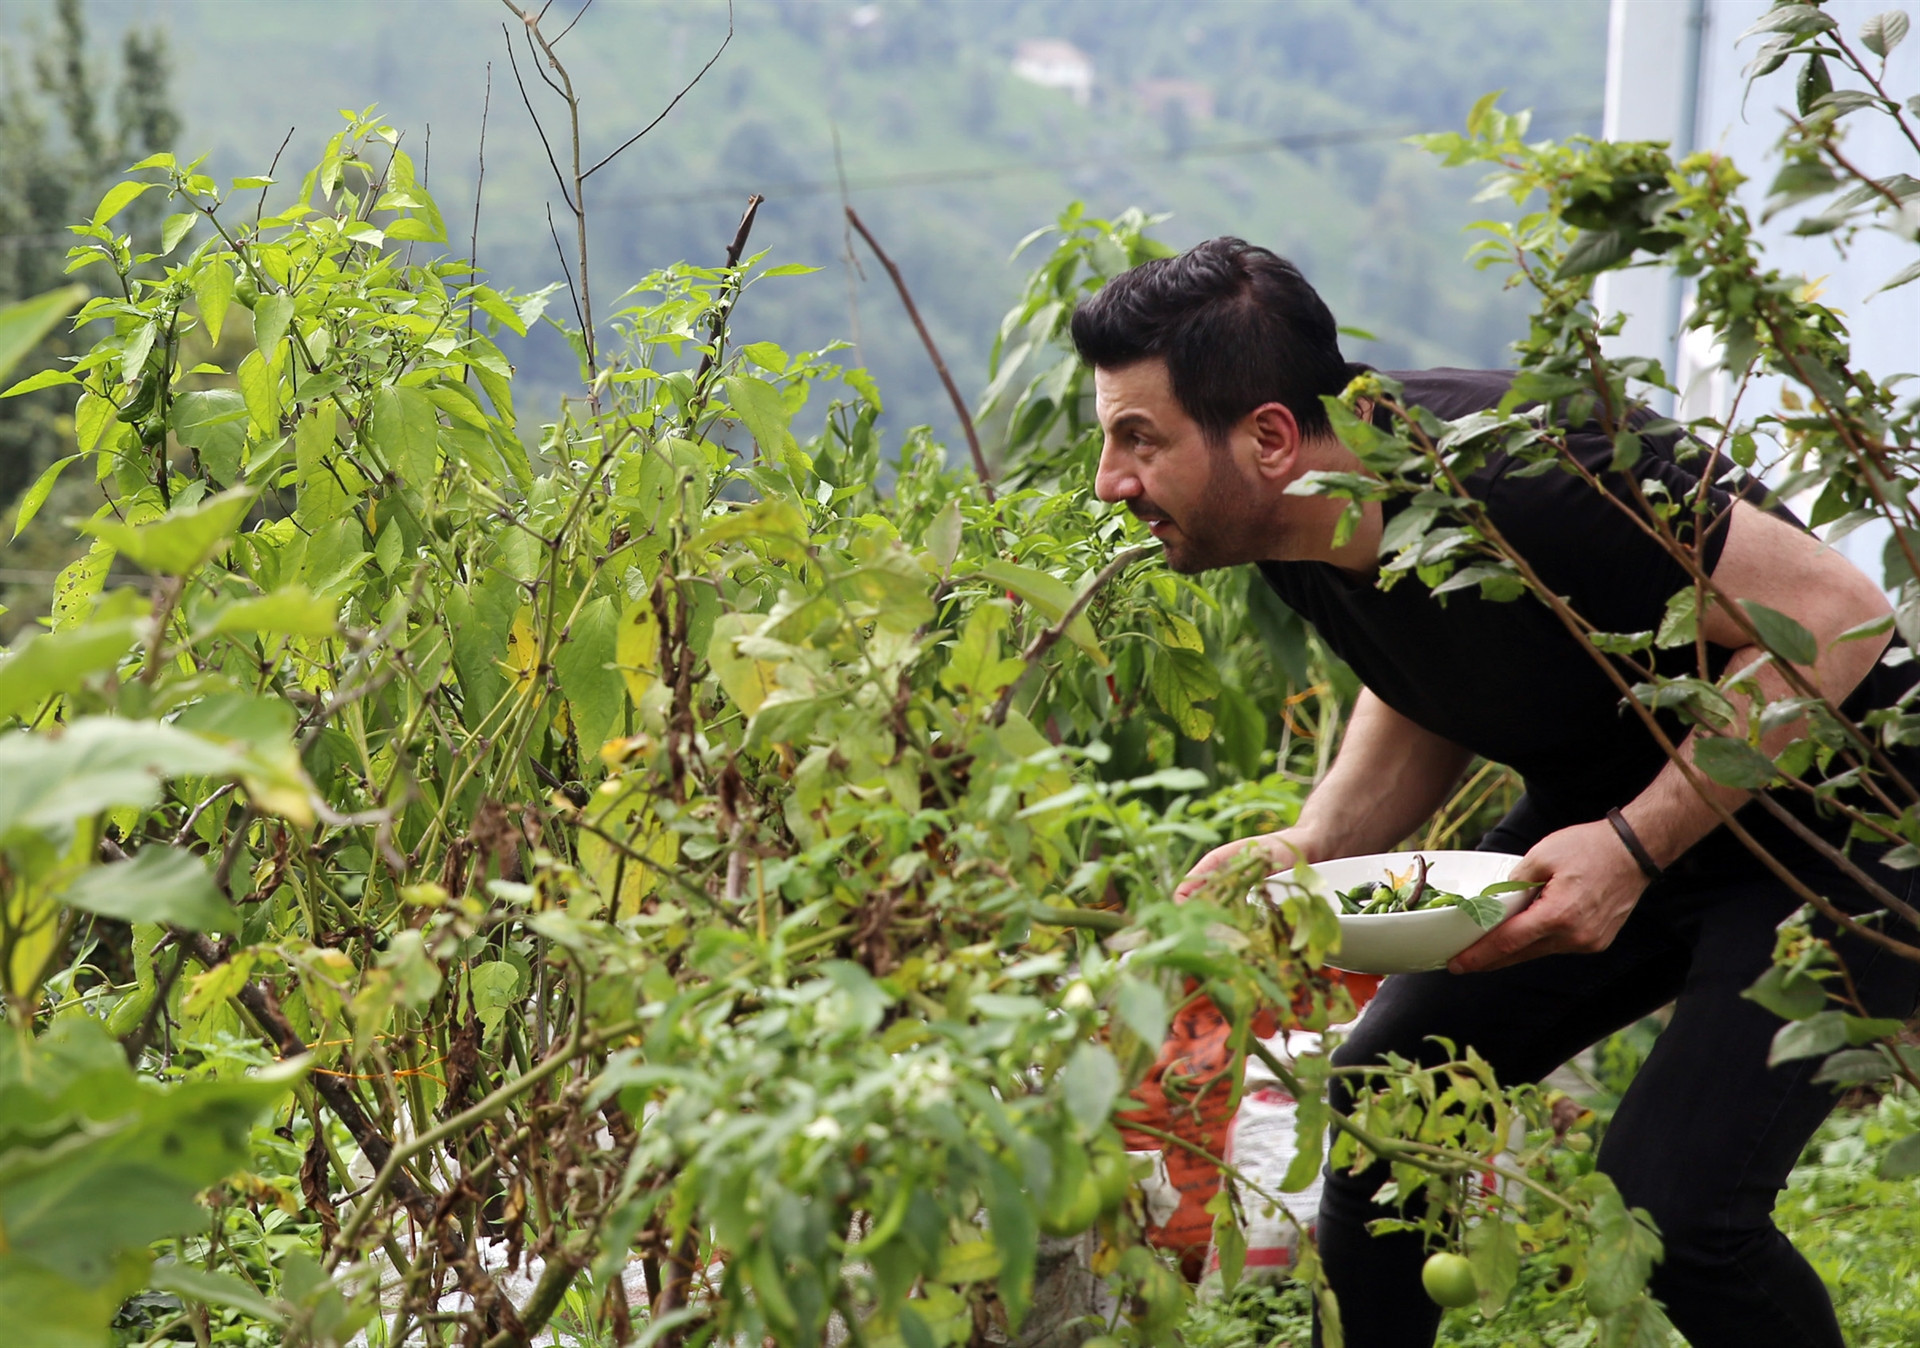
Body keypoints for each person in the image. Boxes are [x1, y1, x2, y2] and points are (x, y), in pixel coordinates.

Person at [1068, 236, 1920, 1348]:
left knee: (1677, 1209)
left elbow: (1836, 615)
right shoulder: (1281, 517)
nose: (1109, 480)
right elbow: (1429, 666)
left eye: (1140, 438)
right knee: (1383, 1109)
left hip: (1846, 816)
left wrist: (1630, 847)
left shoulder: (1531, 472)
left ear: (1269, 436)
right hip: (1626, 808)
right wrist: (1311, 839)